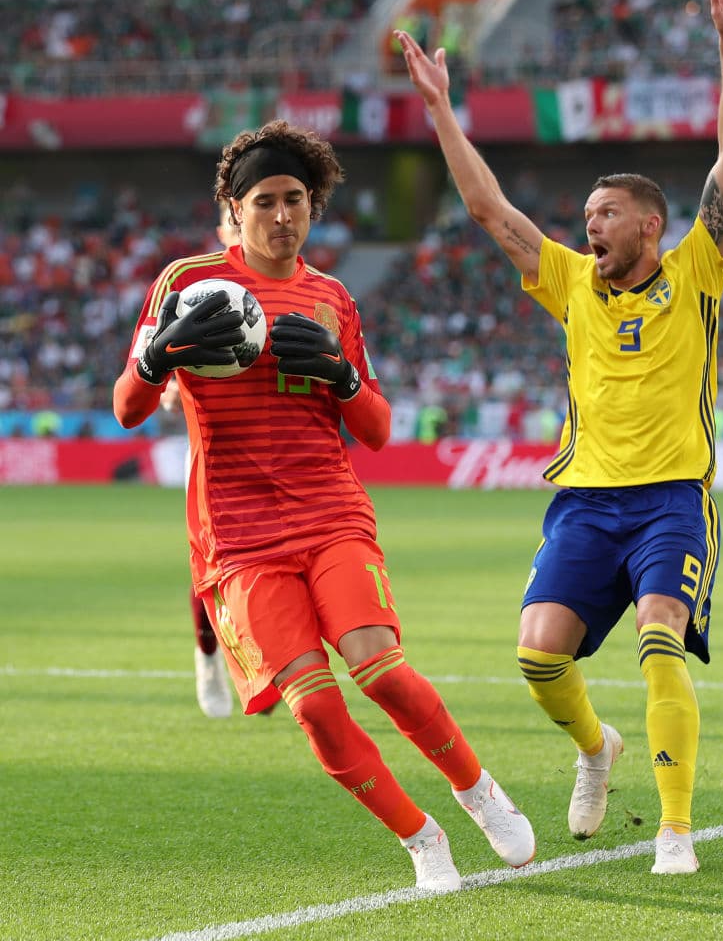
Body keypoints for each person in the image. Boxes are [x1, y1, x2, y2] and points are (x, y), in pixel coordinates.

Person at [395, 0, 723, 875]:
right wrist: (439, 109)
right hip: (585, 502)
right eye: (586, 213)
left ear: (648, 226)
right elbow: (486, 208)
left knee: (660, 642)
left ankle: (674, 830)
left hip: (671, 498)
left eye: (605, 213)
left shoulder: (696, 269)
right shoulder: (568, 282)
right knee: (537, 657)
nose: (588, 224)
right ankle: (596, 750)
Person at [113, 119, 536, 891]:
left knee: (381, 670)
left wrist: (342, 376)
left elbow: (375, 429)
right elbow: (127, 409)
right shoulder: (187, 282)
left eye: (295, 200)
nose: (282, 216)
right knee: (313, 708)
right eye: (265, 201)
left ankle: (477, 790)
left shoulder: (331, 297)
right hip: (240, 536)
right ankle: (421, 840)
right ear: (233, 208)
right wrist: (156, 356)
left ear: (313, 205)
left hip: (330, 512)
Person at [159, 201, 243, 718]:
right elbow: (164, 373)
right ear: (221, 228)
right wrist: (171, 389)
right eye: (235, 221)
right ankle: (208, 653)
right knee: (210, 565)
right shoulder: (197, 288)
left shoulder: (292, 285)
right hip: (214, 452)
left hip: (283, 452)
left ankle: (259, 661)